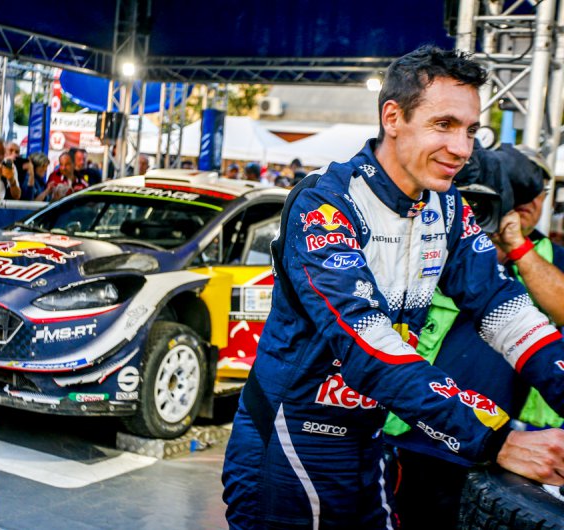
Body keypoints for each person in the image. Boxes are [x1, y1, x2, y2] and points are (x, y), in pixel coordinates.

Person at [222, 46, 564, 529]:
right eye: (444, 124)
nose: (462, 149)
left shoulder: (446, 206)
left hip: (370, 440)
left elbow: (504, 309)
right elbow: (369, 347)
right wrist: (496, 439)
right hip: (290, 439)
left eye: (469, 130)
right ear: (393, 118)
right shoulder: (327, 205)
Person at [386, 144, 564, 528]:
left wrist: (516, 246)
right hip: (416, 429)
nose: (529, 201)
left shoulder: (547, 255)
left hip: (505, 441)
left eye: (537, 190)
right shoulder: (434, 237)